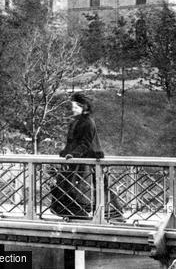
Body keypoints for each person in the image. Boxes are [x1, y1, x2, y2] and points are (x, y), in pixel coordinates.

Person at [51, 92, 123, 221]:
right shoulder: (75, 122)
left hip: (88, 160)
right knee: (70, 185)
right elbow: (72, 141)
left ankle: (106, 215)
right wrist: (66, 152)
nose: (73, 109)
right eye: (73, 106)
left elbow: (85, 143)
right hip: (76, 158)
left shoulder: (88, 122)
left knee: (88, 187)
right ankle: (73, 213)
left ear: (84, 108)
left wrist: (72, 154)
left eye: (76, 107)